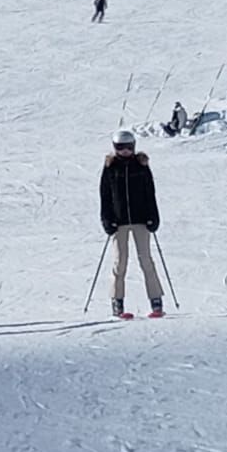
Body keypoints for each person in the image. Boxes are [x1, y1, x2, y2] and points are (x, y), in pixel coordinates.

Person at [100, 129, 164, 318]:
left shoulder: (141, 165)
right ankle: (117, 302)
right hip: (118, 223)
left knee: (146, 260)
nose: (125, 151)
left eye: (128, 147)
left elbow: (150, 193)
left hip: (141, 220)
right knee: (120, 263)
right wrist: (107, 220)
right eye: (121, 147)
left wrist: (153, 217)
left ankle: (156, 301)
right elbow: (105, 196)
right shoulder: (110, 167)